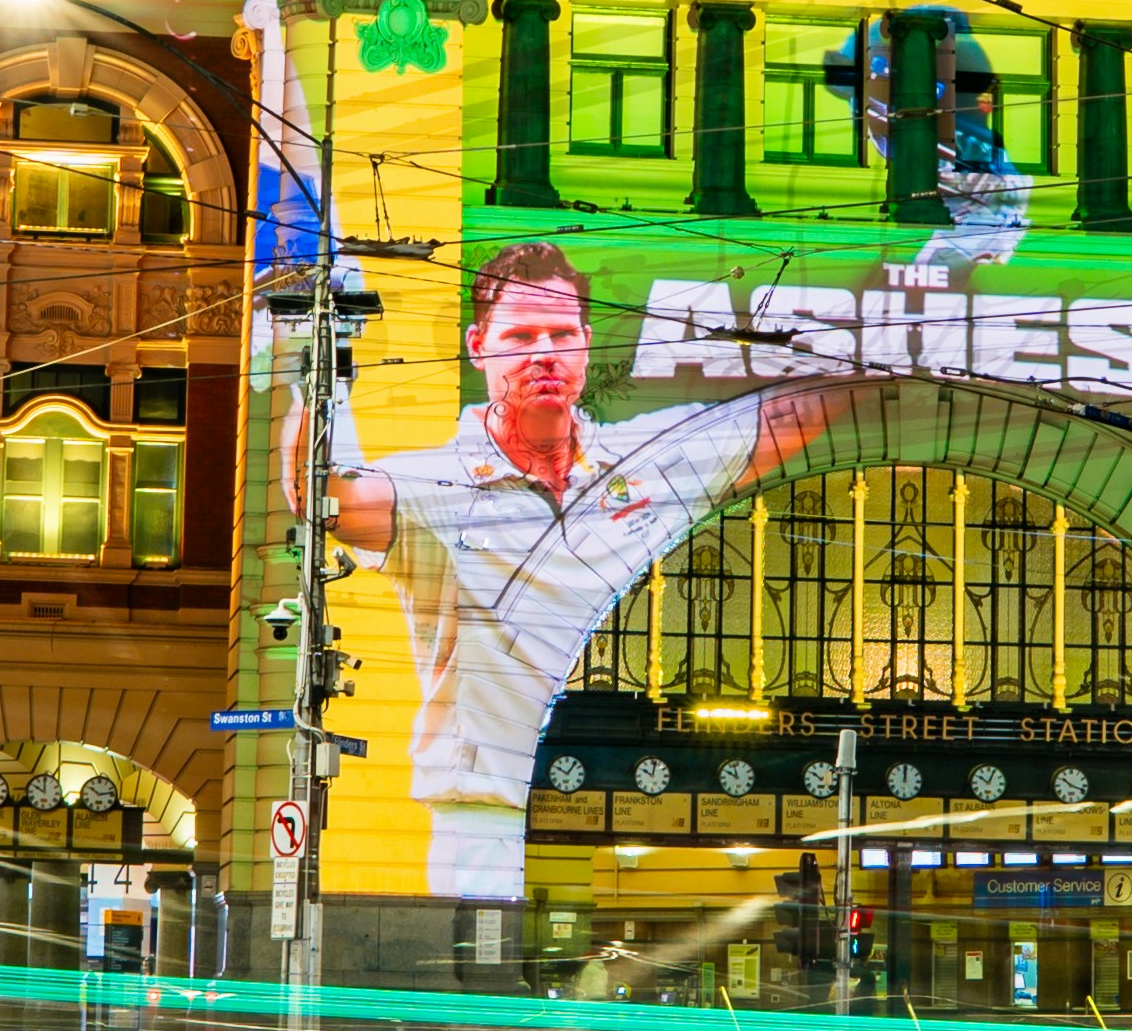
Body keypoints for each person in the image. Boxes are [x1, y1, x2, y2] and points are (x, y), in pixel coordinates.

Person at [319, 242, 853, 903]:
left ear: (586, 344)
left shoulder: (649, 457)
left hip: (636, 784)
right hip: (485, 817)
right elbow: (331, 501)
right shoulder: (431, 483)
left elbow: (790, 418)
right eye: (520, 335)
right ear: (478, 345)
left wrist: (895, 316)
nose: (543, 351)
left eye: (561, 333)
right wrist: (319, 363)